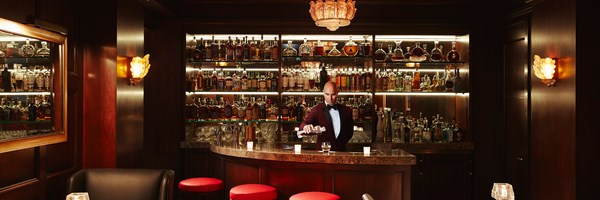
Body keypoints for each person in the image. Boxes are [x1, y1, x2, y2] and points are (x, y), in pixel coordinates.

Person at [299, 81, 354, 151]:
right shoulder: (317, 110)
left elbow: (350, 133)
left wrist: (340, 144)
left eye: (333, 94)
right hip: (323, 153)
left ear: (337, 93)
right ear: (323, 93)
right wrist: (305, 126)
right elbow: (303, 124)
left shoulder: (346, 111)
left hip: (341, 152)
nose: (330, 98)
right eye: (327, 94)